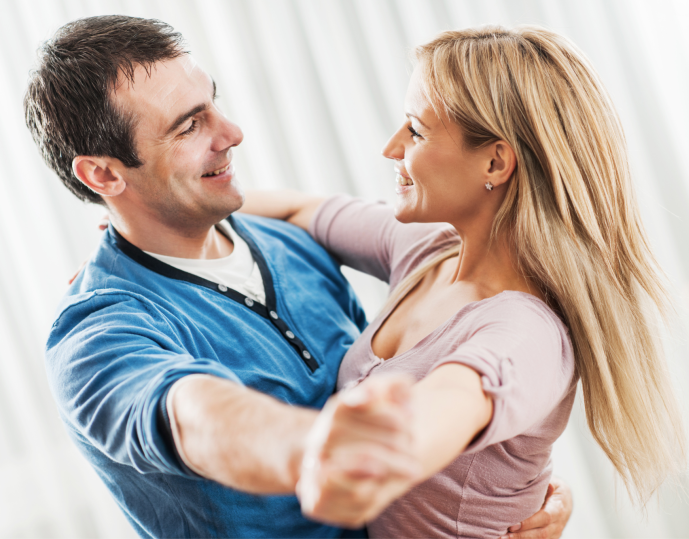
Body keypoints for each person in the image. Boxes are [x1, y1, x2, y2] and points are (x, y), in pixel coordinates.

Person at [26, 16, 572, 539]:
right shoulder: (97, 333)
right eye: (189, 125)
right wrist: (311, 449)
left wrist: (509, 493)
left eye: (213, 103)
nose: (233, 133)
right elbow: (196, 416)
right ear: (102, 174)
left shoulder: (292, 244)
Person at [240, 25, 686, 539]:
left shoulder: (527, 332)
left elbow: (453, 399)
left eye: (415, 130)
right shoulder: (429, 249)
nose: (391, 148)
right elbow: (300, 210)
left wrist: (383, 452)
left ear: (495, 161)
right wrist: (138, 216)